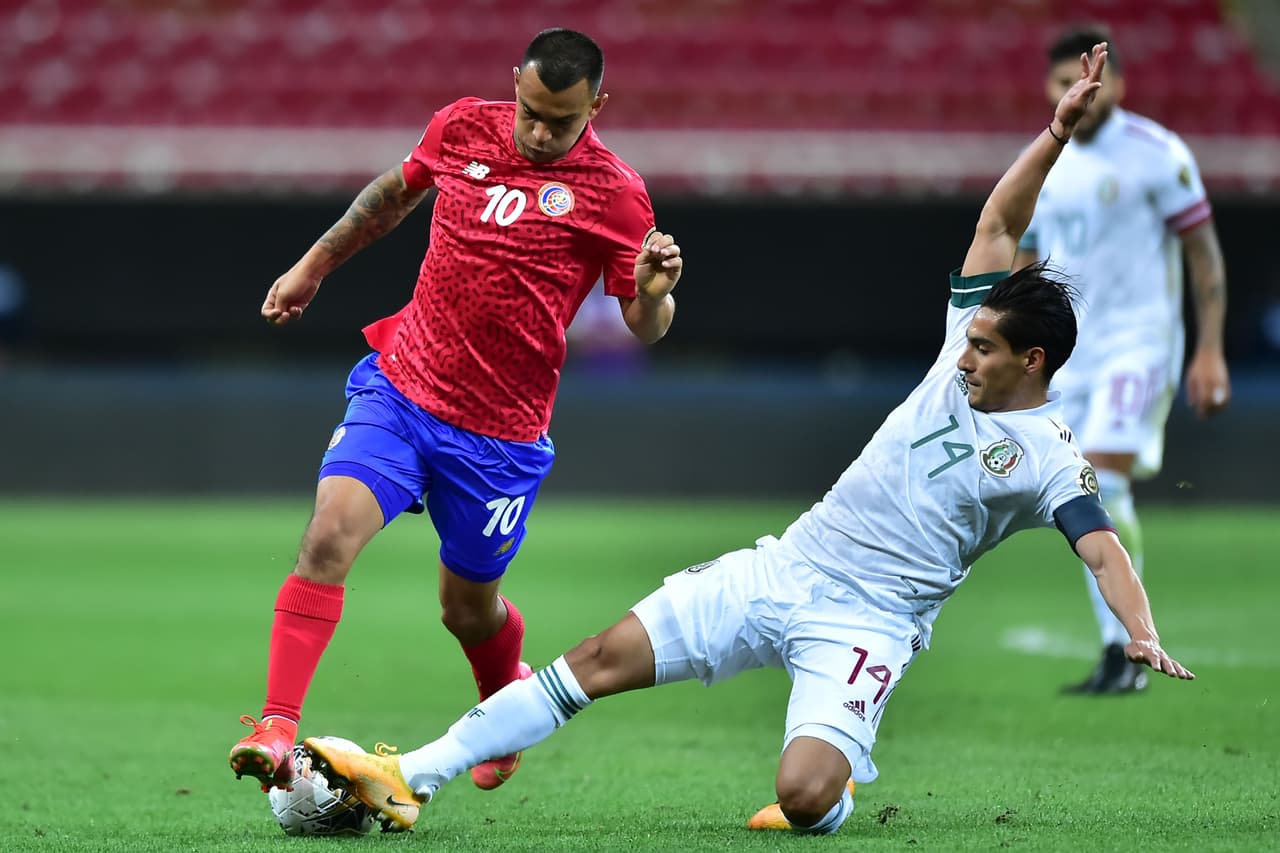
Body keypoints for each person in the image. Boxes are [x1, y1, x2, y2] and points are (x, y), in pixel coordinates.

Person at [302, 43, 1194, 836]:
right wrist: (1056, 133)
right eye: (969, 335)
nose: (964, 353)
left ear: (1031, 361)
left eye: (986, 347)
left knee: (802, 797)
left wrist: (1139, 629)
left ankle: (835, 798)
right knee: (596, 660)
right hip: (785, 566)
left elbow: (1102, 545)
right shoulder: (954, 353)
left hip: (872, 621)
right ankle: (409, 774)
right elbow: (998, 224)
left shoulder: (1047, 455)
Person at [228, 28, 683, 795]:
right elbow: (389, 200)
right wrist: (312, 267)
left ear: (597, 106)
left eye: (560, 121)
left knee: (466, 608)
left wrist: (654, 291)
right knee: (329, 533)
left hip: (500, 437)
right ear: (515, 83)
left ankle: (502, 698)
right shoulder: (462, 125)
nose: (539, 132)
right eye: (530, 110)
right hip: (403, 387)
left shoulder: (614, 191)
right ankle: (275, 724)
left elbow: (644, 325)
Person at [1015, 27, 1230, 694]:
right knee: (1076, 489)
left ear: (1119, 85)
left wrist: (1210, 348)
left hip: (1140, 344)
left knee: (1102, 480)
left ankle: (1125, 646)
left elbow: (1203, 252)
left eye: (1084, 77)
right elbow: (1025, 257)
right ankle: (1120, 651)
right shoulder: (1043, 161)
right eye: (1059, 82)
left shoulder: (1157, 154)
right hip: (1069, 354)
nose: (1073, 91)